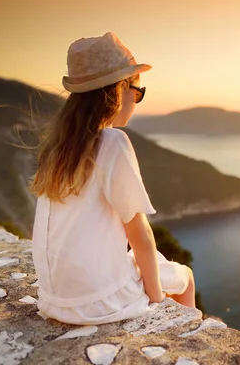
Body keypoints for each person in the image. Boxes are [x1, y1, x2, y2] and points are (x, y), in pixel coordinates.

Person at [30, 31, 195, 325]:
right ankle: (190, 336)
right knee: (185, 276)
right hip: (98, 302)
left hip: (54, 300)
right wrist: (155, 300)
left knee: (149, 264)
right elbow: (139, 234)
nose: (137, 99)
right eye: (139, 92)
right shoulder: (111, 142)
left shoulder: (57, 147)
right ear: (121, 88)